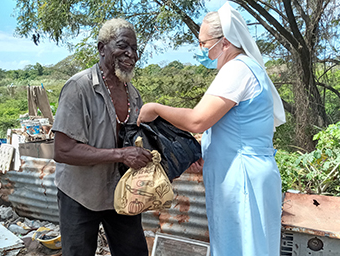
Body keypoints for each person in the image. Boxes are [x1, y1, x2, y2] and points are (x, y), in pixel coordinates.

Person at [137, 2, 286, 256]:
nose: (202, 49)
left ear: (225, 41)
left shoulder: (237, 69)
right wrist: (207, 150)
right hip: (239, 172)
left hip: (242, 179)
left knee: (242, 248)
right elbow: (231, 127)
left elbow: (198, 120)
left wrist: (156, 108)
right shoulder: (246, 68)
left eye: (204, 43)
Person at [52, 18, 152, 256]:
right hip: (80, 194)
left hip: (121, 194)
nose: (131, 54)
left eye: (135, 49)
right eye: (123, 46)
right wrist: (121, 154)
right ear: (102, 48)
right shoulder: (78, 87)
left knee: (135, 252)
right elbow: (62, 150)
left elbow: (134, 139)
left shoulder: (133, 94)